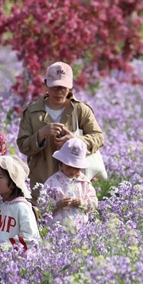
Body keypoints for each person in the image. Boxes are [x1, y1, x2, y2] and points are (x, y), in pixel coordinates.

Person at [16, 61, 104, 202]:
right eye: (55, 86)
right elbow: (22, 145)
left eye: (63, 87)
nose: (59, 91)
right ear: (46, 84)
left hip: (75, 185)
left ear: (70, 87)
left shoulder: (80, 110)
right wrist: (41, 134)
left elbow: (98, 138)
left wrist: (75, 140)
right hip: (42, 181)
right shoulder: (32, 112)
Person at [0, 156, 40, 258]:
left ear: (12, 183)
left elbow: (30, 238)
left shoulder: (22, 207)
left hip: (14, 267)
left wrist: (4, 248)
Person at [41, 137, 98, 229]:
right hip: (57, 230)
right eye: (68, 166)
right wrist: (57, 204)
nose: (72, 170)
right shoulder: (52, 181)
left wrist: (83, 203)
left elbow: (94, 203)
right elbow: (42, 205)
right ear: (62, 162)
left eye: (76, 167)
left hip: (80, 230)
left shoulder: (85, 182)